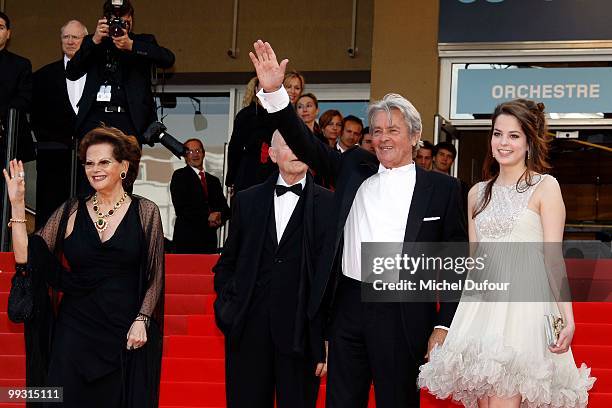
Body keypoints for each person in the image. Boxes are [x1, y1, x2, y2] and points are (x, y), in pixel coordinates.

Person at [249, 40, 466, 408]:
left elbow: (455, 262)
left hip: (404, 308)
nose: (382, 137)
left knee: (396, 400)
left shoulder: (444, 189)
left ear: (414, 137)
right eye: (377, 130)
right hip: (349, 303)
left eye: (393, 130)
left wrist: (444, 325)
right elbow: (305, 142)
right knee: (341, 400)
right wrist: (274, 93)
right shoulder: (353, 167)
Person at [418, 99, 595, 407]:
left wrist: (568, 318)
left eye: (514, 135)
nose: (503, 142)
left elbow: (553, 259)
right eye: (498, 134)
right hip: (481, 312)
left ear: (529, 141)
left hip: (523, 313)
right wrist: (450, 323)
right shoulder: (476, 193)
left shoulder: (545, 187)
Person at [4, 126, 165, 407]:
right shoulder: (71, 210)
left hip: (123, 328)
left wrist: (142, 319)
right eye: (89, 163)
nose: (95, 169)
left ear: (123, 166)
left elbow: (155, 275)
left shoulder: (145, 211)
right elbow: (29, 257)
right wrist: (17, 206)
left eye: (104, 162)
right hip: (75, 327)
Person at [213, 129, 334, 408]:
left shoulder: (330, 204)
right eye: (289, 145)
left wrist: (324, 334)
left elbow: (333, 276)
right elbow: (228, 262)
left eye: (304, 145)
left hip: (301, 333)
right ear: (272, 154)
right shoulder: (247, 200)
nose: (298, 151)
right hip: (248, 329)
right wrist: (229, 308)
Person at [66, 0, 175, 142]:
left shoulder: (143, 41)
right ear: (105, 20)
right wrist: (94, 41)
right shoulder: (93, 41)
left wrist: (131, 45)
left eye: (124, 18)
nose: (119, 23)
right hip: (94, 117)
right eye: (114, 19)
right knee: (94, 161)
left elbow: (168, 59)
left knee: (126, 161)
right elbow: (71, 73)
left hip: (129, 119)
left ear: (131, 19)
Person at [31, 19, 88, 228]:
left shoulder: (98, 75)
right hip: (53, 162)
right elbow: (36, 118)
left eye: (76, 37)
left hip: (89, 164)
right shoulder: (42, 76)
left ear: (86, 40)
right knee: (50, 222)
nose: (70, 41)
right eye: (66, 37)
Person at [171, 138, 230, 254]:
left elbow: (225, 209)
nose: (195, 154)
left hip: (209, 242)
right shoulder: (180, 176)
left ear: (203, 153)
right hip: (186, 242)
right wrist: (207, 216)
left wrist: (219, 216)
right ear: (185, 156)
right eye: (190, 151)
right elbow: (181, 208)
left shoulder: (213, 180)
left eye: (198, 150)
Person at [226, 76, 277, 194]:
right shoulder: (246, 115)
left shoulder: (279, 115)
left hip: (274, 172)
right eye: (262, 88)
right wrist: (231, 179)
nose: (265, 91)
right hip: (249, 172)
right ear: (255, 90)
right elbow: (235, 148)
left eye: (269, 88)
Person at [0, 11, 35, 163]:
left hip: (8, 139)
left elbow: (24, 99)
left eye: (0, 27)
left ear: (8, 34)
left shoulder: (20, 65)